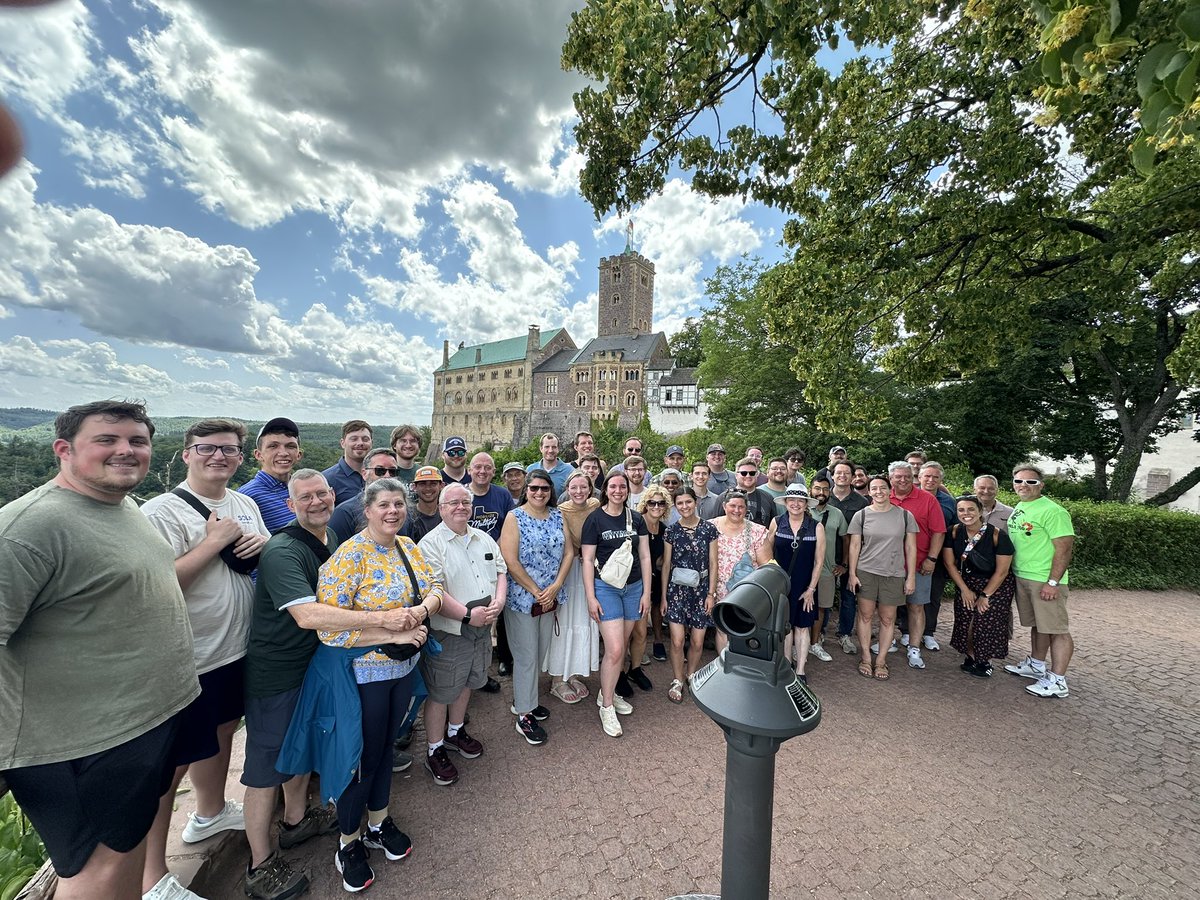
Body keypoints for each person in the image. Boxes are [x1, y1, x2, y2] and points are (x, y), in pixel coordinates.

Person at [1, 401, 199, 900]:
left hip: (137, 725)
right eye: (107, 440)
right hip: (78, 743)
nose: (126, 451)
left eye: (137, 441)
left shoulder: (120, 506)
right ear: (64, 449)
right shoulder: (28, 530)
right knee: (97, 871)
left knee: (123, 851)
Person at [139, 419, 271, 899]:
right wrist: (213, 543)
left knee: (219, 734)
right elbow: (157, 587)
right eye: (208, 449)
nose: (220, 457)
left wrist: (266, 544)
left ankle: (209, 813)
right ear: (187, 453)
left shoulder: (244, 502)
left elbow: (261, 553)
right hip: (189, 656)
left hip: (235, 646)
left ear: (241, 457)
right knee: (168, 768)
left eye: (230, 450)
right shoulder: (161, 513)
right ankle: (153, 878)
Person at [242, 470, 384, 900]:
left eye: (322, 494)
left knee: (302, 749)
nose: (317, 502)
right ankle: (259, 864)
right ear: (290, 505)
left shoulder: (331, 543)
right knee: (266, 769)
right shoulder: (284, 551)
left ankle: (297, 821)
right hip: (279, 670)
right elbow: (309, 615)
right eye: (305, 497)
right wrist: (384, 623)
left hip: (314, 666)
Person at [315, 478, 441, 892]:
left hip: (401, 674)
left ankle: (378, 820)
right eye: (384, 505)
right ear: (366, 510)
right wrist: (390, 632)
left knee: (385, 749)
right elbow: (329, 629)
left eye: (398, 505)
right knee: (362, 757)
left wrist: (422, 611)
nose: (393, 511)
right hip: (364, 677)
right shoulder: (350, 556)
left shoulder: (407, 547)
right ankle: (347, 841)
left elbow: (435, 587)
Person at [418, 483, 508, 784]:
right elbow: (435, 591)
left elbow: (500, 572)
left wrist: (499, 603)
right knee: (442, 690)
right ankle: (434, 749)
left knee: (469, 680)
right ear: (441, 508)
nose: (460, 507)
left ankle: (455, 731)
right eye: (453, 502)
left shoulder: (483, 538)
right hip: (452, 630)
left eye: (465, 502)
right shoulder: (430, 545)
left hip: (482, 628)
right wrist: (468, 615)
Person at [500, 470, 573, 746]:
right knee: (527, 656)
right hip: (523, 599)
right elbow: (510, 559)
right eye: (534, 488)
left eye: (544, 488)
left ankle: (524, 699)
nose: (539, 493)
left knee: (539, 652)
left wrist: (555, 586)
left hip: (549, 597)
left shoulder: (558, 516)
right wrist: (536, 590)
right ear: (526, 490)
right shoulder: (514, 517)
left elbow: (569, 552)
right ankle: (524, 715)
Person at [581, 470, 652, 738]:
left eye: (622, 486)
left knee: (620, 650)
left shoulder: (637, 519)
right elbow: (587, 560)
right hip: (606, 589)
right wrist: (591, 596)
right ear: (606, 489)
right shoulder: (595, 519)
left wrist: (647, 592)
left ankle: (605, 693)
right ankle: (607, 707)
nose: (618, 490)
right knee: (615, 649)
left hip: (633, 589)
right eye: (613, 486)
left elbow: (644, 557)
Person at [1004, 464, 1077, 699]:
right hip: (1024, 576)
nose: (1023, 485)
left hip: (1044, 579)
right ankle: (1036, 664)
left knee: (1057, 630)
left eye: (1031, 482)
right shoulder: (1023, 506)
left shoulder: (1053, 511)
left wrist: (1053, 582)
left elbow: (1064, 549)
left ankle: (1058, 681)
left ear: (1041, 485)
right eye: (1019, 481)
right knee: (1039, 625)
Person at [847, 474, 918, 681]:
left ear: (890, 490)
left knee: (888, 619)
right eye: (874, 488)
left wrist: (911, 576)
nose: (879, 492)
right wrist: (852, 573)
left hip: (893, 574)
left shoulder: (905, 516)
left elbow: (911, 547)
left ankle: (881, 660)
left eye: (883, 488)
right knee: (865, 616)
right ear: (869, 492)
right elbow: (854, 546)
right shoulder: (861, 515)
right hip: (866, 572)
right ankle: (866, 657)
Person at [942, 494, 1016, 678]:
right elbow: (949, 563)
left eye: (970, 509)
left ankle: (985, 660)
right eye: (961, 510)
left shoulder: (998, 535)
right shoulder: (953, 532)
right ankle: (971, 655)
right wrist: (964, 590)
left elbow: (1002, 571)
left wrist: (985, 595)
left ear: (980, 511)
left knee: (985, 622)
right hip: (967, 582)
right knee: (965, 620)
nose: (966, 513)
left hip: (995, 586)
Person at [546, 471, 602, 704]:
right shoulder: (560, 511)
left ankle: (575, 672)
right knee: (565, 621)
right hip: (567, 570)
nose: (578, 491)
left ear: (590, 489)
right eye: (574, 487)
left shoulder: (597, 506)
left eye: (583, 487)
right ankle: (558, 679)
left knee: (585, 620)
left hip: (590, 569)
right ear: (567, 490)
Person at [661, 488, 720, 703]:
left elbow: (714, 563)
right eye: (680, 503)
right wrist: (665, 597)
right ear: (675, 506)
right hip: (677, 590)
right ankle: (677, 679)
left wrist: (711, 594)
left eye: (688, 502)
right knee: (677, 641)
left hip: (702, 591)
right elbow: (666, 564)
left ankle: (691, 674)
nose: (684, 506)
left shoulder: (709, 529)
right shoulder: (671, 531)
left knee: (697, 641)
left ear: (695, 502)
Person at [887, 460, 946, 670]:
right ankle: (889, 641)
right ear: (890, 478)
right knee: (888, 606)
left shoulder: (928, 499)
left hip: (920, 563)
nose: (902, 480)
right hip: (889, 564)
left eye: (907, 476)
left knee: (916, 606)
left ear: (913, 477)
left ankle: (914, 647)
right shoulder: (885, 497)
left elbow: (939, 531)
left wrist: (931, 558)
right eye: (897, 476)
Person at [765, 485, 825, 683]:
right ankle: (787, 665)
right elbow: (767, 551)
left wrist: (811, 589)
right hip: (780, 584)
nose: (796, 504)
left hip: (805, 585)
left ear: (806, 503)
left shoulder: (816, 526)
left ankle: (800, 670)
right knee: (784, 626)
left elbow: (819, 561)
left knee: (802, 626)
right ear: (786, 502)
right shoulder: (776, 522)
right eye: (791, 500)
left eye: (800, 500)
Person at [711, 490, 772, 655]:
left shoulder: (756, 531)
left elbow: (766, 564)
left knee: (744, 629)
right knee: (722, 628)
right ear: (724, 506)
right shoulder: (711, 526)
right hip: (718, 588)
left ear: (746, 509)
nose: (736, 510)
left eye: (741, 507)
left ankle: (741, 666)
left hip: (747, 591)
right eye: (732, 506)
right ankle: (724, 664)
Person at [911, 460, 958, 652]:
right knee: (910, 595)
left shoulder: (949, 502)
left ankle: (928, 632)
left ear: (941, 480)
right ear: (919, 477)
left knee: (933, 595)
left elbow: (954, 530)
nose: (930, 480)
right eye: (927, 476)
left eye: (935, 477)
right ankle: (907, 630)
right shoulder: (910, 496)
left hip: (937, 557)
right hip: (912, 554)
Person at [633, 484, 673, 688]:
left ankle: (655, 643)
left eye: (660, 503)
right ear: (645, 504)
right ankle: (632, 661)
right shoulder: (637, 523)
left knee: (657, 606)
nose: (656, 506)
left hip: (655, 576)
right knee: (638, 624)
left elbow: (662, 560)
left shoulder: (664, 530)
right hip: (636, 579)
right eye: (652, 502)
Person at [828, 461, 869, 654]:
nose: (842, 476)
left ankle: (844, 634)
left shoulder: (861, 503)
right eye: (838, 473)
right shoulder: (823, 496)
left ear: (853, 477)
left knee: (848, 597)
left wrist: (847, 563)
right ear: (832, 475)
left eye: (847, 473)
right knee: (824, 597)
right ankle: (818, 634)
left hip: (852, 558)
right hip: (825, 556)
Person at [807, 476, 848, 663]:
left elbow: (846, 539)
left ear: (830, 491)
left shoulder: (836, 514)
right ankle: (797, 644)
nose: (821, 493)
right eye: (817, 488)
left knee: (821, 608)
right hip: (803, 568)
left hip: (826, 569)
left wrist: (844, 564)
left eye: (824, 489)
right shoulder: (802, 509)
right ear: (810, 490)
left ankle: (815, 644)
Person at [240, 417, 304, 533]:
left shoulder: (304, 489)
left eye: (290, 446)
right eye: (273, 446)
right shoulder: (247, 497)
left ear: (299, 454)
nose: (283, 453)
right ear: (258, 454)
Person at [329, 447, 402, 544]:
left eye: (393, 471)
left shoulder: (403, 513)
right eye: (380, 470)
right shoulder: (344, 513)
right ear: (364, 474)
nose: (387, 476)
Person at [465, 452, 514, 538]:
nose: (482, 471)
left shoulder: (503, 495)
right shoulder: (458, 494)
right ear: (469, 470)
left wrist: (495, 547)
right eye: (478, 467)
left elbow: (511, 528)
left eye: (488, 468)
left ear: (494, 472)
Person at [322, 420, 372, 501]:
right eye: (354, 439)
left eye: (365, 439)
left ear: (371, 443)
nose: (360, 443)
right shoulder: (326, 479)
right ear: (342, 443)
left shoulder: (381, 474)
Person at [729, 458, 775, 527]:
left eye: (752, 473)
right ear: (736, 475)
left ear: (757, 475)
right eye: (744, 473)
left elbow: (773, 527)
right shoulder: (724, 498)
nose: (748, 476)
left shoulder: (768, 498)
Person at [407, 465, 446, 543]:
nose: (428, 488)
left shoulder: (446, 514)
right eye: (422, 484)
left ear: (441, 486)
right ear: (414, 487)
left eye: (433, 484)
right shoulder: (408, 517)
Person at [388, 425, 423, 494]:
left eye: (413, 441)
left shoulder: (421, 472)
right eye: (403, 441)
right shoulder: (385, 472)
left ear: (419, 445)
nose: (408, 445)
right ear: (394, 445)